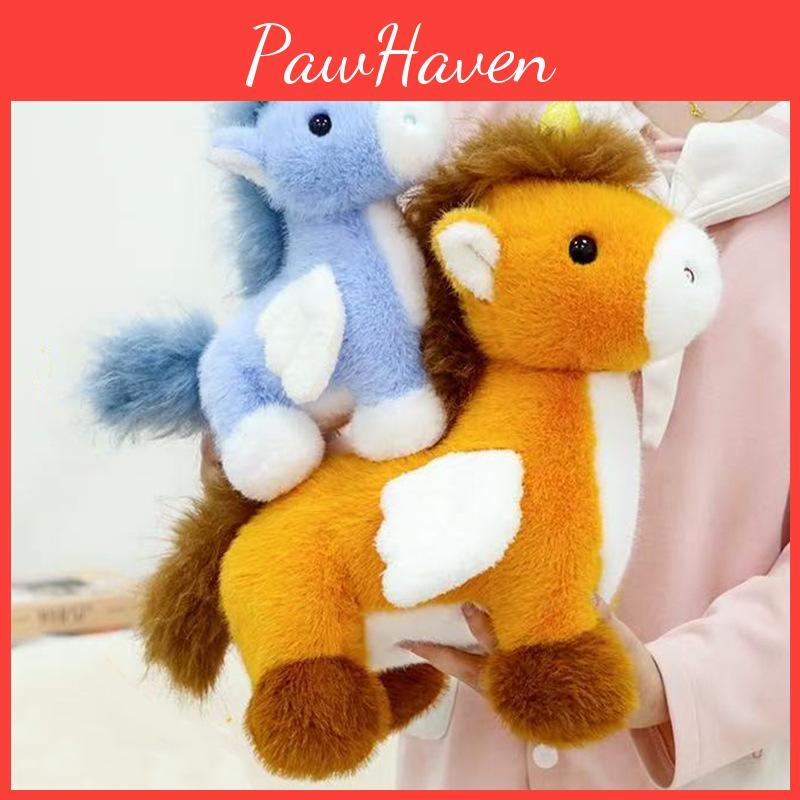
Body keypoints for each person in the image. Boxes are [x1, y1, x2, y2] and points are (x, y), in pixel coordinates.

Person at [202, 101, 789, 789]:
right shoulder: (479, 119)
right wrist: (266, 433)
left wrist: (675, 685)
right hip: (464, 742)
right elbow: (347, 326)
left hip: (702, 760)